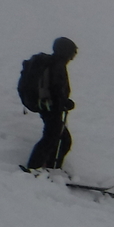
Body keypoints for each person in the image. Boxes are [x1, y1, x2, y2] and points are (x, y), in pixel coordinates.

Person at [25, 37, 77, 171]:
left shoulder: (52, 63)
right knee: (56, 139)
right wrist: (64, 103)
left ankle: (49, 167)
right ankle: (37, 167)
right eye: (72, 53)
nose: (72, 57)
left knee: (57, 138)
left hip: (48, 106)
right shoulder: (57, 65)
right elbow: (56, 89)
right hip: (51, 108)